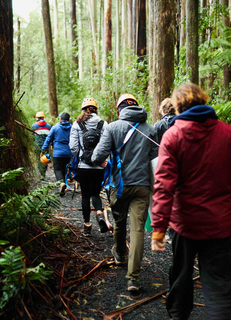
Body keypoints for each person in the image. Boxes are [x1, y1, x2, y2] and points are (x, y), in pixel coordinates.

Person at [150, 83, 231, 320]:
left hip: (184, 224)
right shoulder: (226, 131)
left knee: (180, 277)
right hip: (218, 224)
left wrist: (158, 228)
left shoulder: (173, 136)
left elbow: (164, 184)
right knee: (220, 286)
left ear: (178, 106)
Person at [91, 94, 158, 293]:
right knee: (137, 230)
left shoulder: (112, 127)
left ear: (120, 109)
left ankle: (120, 254)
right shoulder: (151, 129)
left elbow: (96, 157)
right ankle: (133, 279)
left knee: (119, 222)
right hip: (142, 186)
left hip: (119, 186)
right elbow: (156, 161)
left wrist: (107, 160)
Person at [69, 98, 109, 237]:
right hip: (99, 167)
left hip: (83, 166)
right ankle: (99, 214)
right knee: (96, 193)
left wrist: (81, 156)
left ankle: (87, 225)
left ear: (83, 109)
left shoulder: (77, 124)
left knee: (85, 196)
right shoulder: (103, 124)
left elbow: (73, 146)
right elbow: (107, 144)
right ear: (96, 109)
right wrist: (102, 159)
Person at [42, 112, 72, 196]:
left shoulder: (55, 127)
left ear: (60, 119)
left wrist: (44, 149)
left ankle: (61, 183)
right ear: (68, 119)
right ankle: (62, 184)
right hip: (68, 152)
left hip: (57, 153)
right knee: (64, 169)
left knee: (57, 169)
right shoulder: (72, 128)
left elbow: (48, 139)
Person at [31, 112, 51, 180]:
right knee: (45, 159)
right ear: (43, 117)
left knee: (38, 160)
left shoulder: (33, 126)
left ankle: (41, 174)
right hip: (45, 146)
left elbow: (32, 137)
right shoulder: (48, 126)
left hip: (37, 146)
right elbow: (49, 137)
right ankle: (43, 174)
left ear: (37, 118)